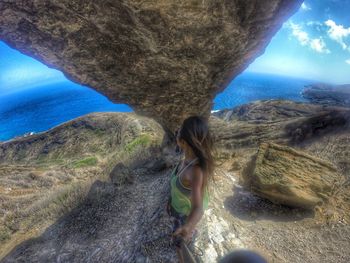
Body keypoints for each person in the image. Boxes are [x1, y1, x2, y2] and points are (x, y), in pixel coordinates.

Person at [167, 115, 216, 263]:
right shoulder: (187, 159)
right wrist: (170, 200)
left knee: (180, 243)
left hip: (185, 215)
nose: (177, 131)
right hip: (177, 208)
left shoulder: (195, 170)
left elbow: (198, 207)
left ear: (183, 142)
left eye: (180, 130)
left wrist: (188, 227)